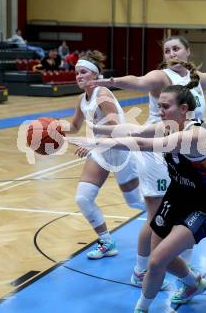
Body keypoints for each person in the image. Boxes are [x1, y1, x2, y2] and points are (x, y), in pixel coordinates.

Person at [68, 83, 206, 313]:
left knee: (156, 261)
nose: (160, 110)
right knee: (162, 258)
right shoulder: (167, 126)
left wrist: (96, 143)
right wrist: (97, 131)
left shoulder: (195, 134)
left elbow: (141, 144)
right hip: (177, 196)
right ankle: (194, 284)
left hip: (202, 204)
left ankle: (142, 308)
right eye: (159, 105)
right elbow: (136, 131)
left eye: (165, 106)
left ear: (183, 109)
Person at [90, 35, 206, 289]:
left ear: (187, 52)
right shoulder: (162, 77)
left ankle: (179, 266)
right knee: (157, 216)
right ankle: (141, 271)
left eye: (176, 48)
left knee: (182, 212)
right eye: (167, 49)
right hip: (155, 151)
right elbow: (138, 82)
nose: (171, 52)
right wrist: (110, 81)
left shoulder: (194, 78)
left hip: (178, 152)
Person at [63, 50, 144, 260]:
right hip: (100, 151)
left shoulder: (103, 95)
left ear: (95, 75)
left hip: (120, 150)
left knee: (135, 202)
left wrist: (92, 143)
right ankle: (107, 242)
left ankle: (171, 220)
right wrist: (53, 128)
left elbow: (118, 130)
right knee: (83, 198)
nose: (79, 76)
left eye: (83, 72)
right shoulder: (82, 99)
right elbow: (74, 126)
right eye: (76, 73)